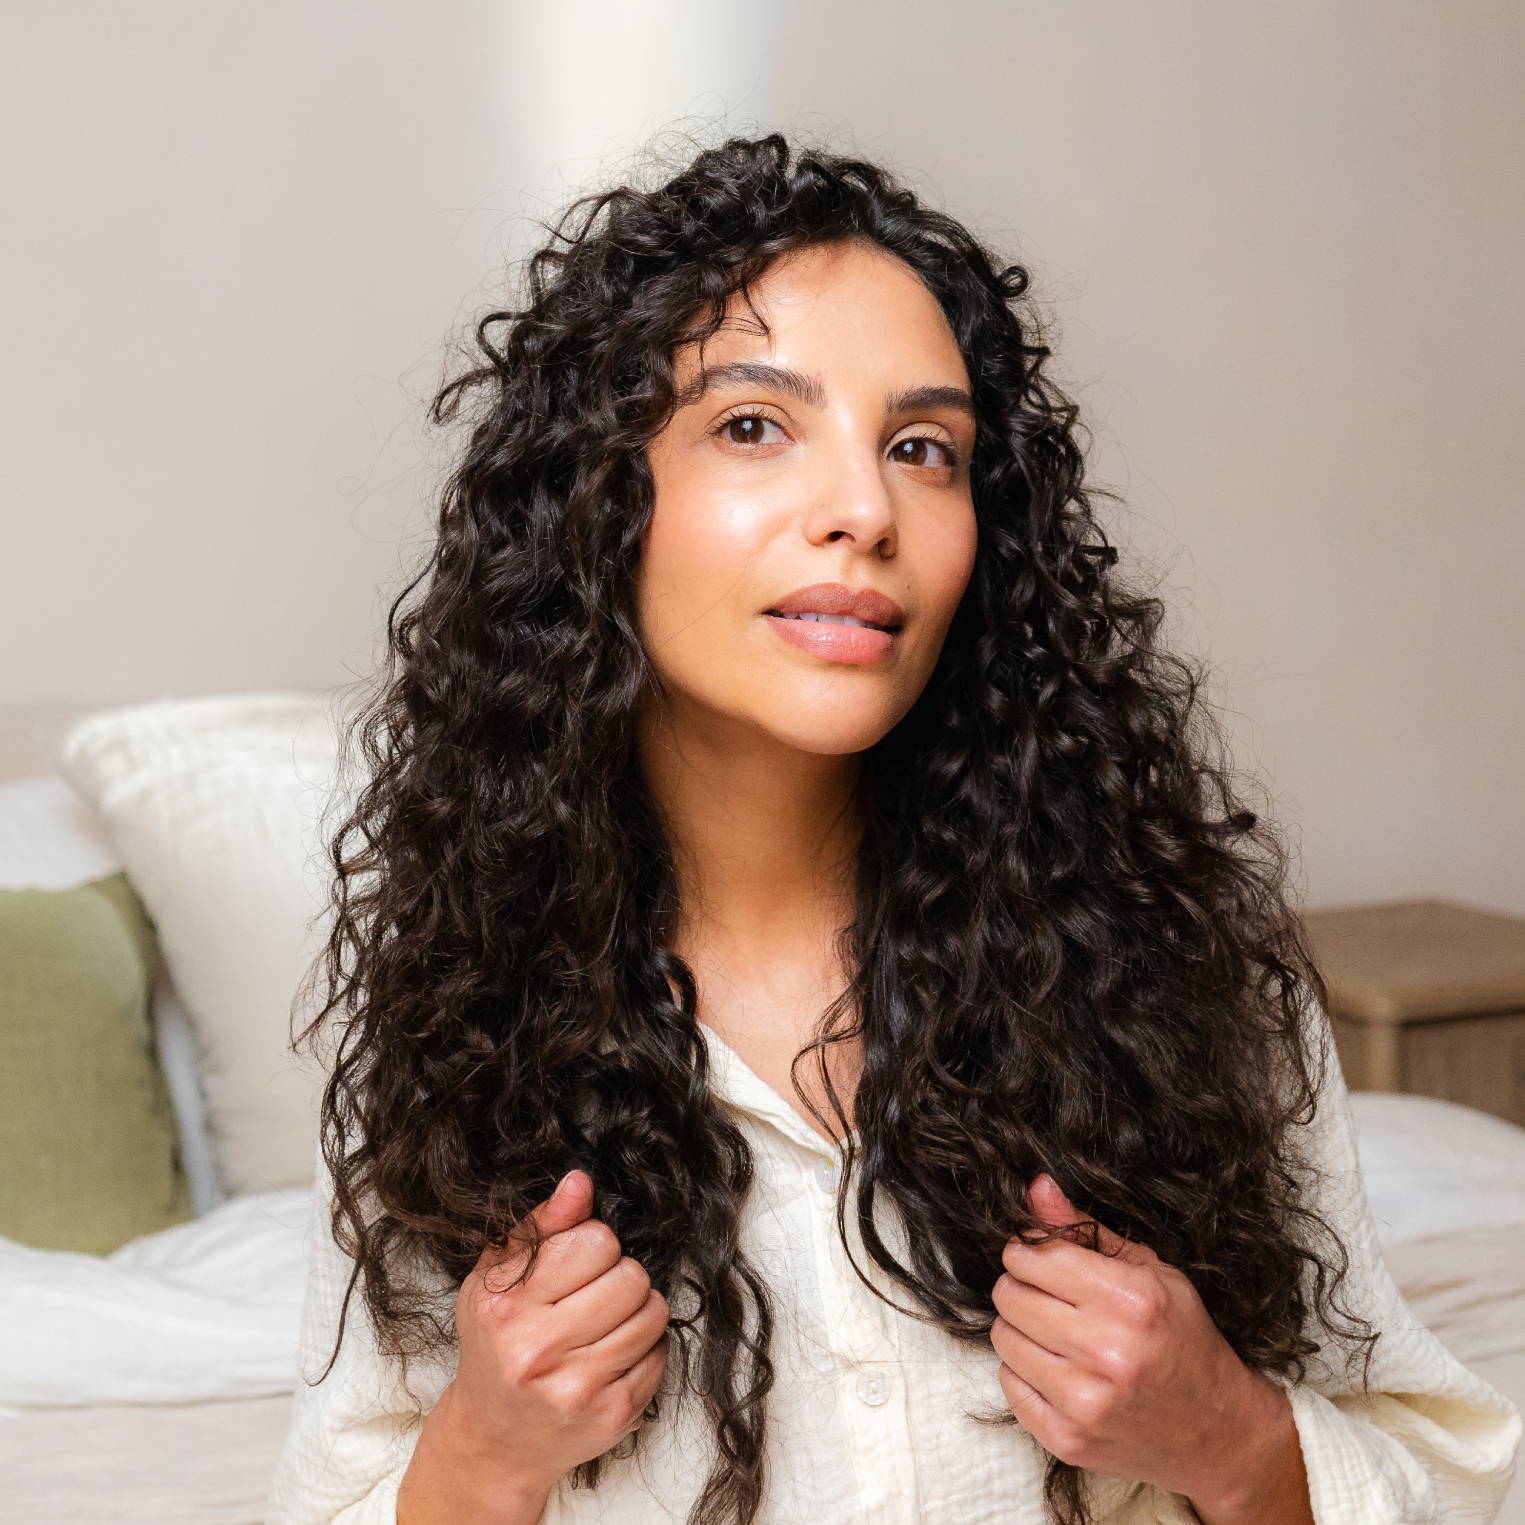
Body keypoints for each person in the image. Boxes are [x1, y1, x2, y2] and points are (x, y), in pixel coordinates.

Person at [264, 130, 1520, 1525]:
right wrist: (479, 1455)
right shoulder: (454, 1016)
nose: (864, 509)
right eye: (753, 425)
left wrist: (1229, 1433)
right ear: (594, 505)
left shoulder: (1173, 967)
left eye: (924, 449)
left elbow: (1453, 1482)